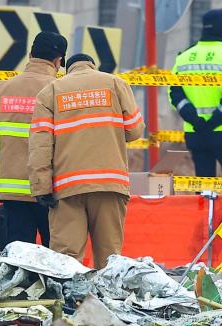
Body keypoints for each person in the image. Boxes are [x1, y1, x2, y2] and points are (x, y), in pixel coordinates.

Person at [28, 54, 144, 269]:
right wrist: (110, 132)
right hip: (109, 182)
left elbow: (40, 145)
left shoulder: (51, 91)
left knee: (66, 259)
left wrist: (41, 187)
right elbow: (135, 130)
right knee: (110, 257)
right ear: (93, 65)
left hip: (67, 187)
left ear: (67, 69)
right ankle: (106, 301)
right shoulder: (115, 84)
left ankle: (69, 301)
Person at [0, 31, 67, 247]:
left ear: (30, 55)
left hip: (11, 192)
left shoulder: (0, 91)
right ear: (58, 61)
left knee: (19, 256)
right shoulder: (60, 91)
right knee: (53, 258)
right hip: (50, 191)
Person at [169, 8, 222, 178]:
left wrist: (195, 120)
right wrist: (215, 120)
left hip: (196, 133)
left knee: (204, 190)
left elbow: (174, 93)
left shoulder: (184, 56)